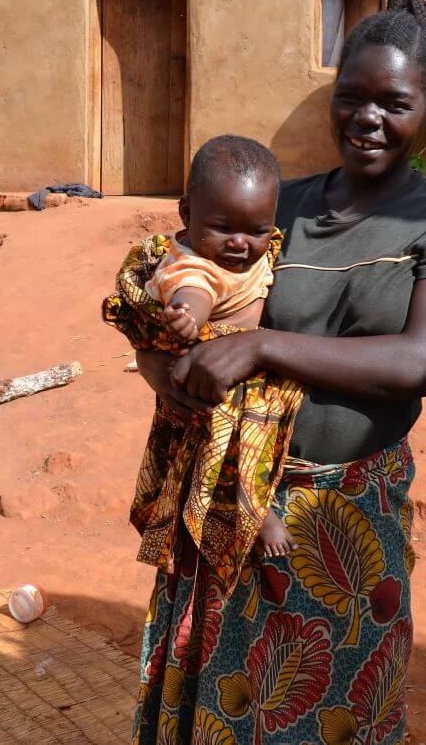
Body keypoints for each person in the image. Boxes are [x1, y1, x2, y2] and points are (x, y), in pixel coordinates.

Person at [130, 0, 426, 745]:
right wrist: (159, 355)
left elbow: (419, 361)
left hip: (351, 512)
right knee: (226, 697)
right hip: (242, 499)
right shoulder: (276, 208)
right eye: (350, 99)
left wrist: (265, 345)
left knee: (340, 698)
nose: (366, 119)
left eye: (393, 103)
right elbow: (178, 290)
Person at [103, 136, 301, 605]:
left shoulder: (255, 244)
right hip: (216, 375)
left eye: (256, 229)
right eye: (223, 228)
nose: (239, 242)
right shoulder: (193, 267)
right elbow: (194, 294)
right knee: (231, 441)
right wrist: (187, 318)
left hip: (242, 364)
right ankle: (257, 513)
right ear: (187, 214)